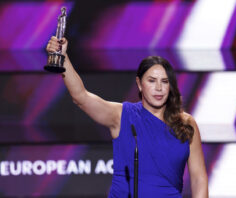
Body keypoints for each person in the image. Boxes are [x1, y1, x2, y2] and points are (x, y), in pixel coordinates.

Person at [46, 36, 208, 198]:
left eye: (164, 81)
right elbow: (81, 97)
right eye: (151, 81)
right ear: (139, 84)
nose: (159, 88)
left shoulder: (186, 123)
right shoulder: (122, 115)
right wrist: (63, 58)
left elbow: (198, 179)